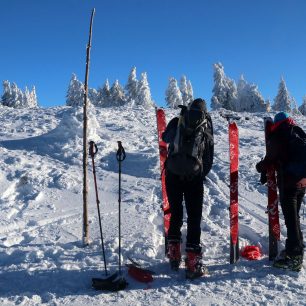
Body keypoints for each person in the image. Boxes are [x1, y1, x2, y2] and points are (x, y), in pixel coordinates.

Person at [162, 98, 214, 279]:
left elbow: (165, 138)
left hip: (173, 174)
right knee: (194, 217)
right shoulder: (205, 125)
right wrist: (201, 173)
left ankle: (174, 253)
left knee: (176, 213)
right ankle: (192, 263)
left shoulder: (179, 120)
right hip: (194, 177)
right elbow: (209, 155)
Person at [256, 111, 306, 271]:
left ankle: (296, 258)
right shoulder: (297, 131)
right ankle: (292, 250)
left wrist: (260, 167)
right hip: (302, 183)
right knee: (294, 219)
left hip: (289, 184)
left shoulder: (278, 135)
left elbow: (270, 159)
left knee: (292, 222)